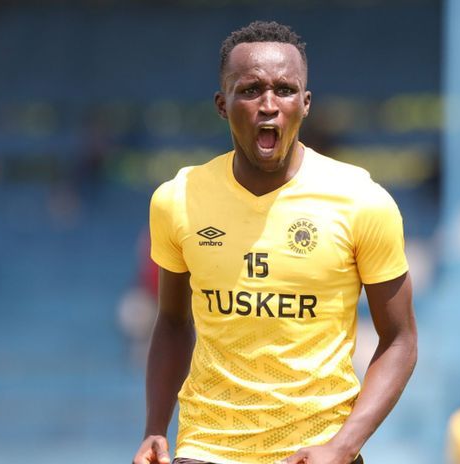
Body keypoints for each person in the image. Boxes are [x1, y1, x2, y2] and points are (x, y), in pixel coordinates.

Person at [132, 21, 417, 464]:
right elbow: (171, 321)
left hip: (317, 449)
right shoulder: (178, 199)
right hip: (207, 447)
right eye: (250, 90)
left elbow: (400, 340)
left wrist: (343, 446)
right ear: (222, 104)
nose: (269, 105)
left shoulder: (361, 200)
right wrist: (154, 428)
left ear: (305, 104)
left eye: (285, 90)